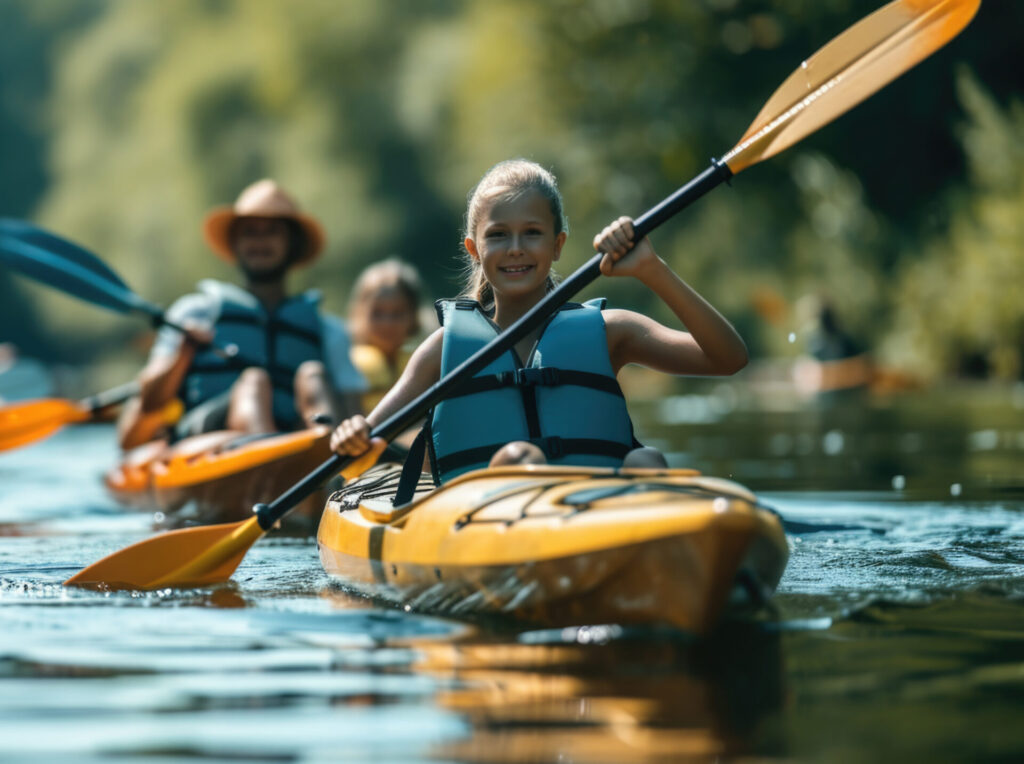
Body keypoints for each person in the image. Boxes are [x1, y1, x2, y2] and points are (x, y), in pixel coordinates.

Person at [330, 159, 747, 491]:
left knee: (647, 461)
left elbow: (728, 358)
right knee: (519, 458)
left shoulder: (610, 331)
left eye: (532, 233)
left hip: (601, 515)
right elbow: (365, 448)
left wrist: (652, 270)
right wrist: (353, 434)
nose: (515, 249)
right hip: (489, 524)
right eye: (498, 235)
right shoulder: (443, 350)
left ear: (558, 244)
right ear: (474, 249)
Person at [117, 179, 365, 450]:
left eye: (271, 232)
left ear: (291, 244)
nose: (259, 242)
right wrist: (184, 352)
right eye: (249, 232)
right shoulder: (195, 312)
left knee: (312, 374)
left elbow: (353, 412)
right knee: (254, 382)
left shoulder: (329, 331)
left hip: (298, 447)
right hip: (208, 439)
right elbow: (150, 402)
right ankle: (267, 460)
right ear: (235, 244)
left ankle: (333, 465)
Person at [347, 259, 424, 413]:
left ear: (413, 316)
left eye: (397, 313)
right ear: (359, 314)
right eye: (377, 313)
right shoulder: (348, 366)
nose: (387, 323)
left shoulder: (424, 363)